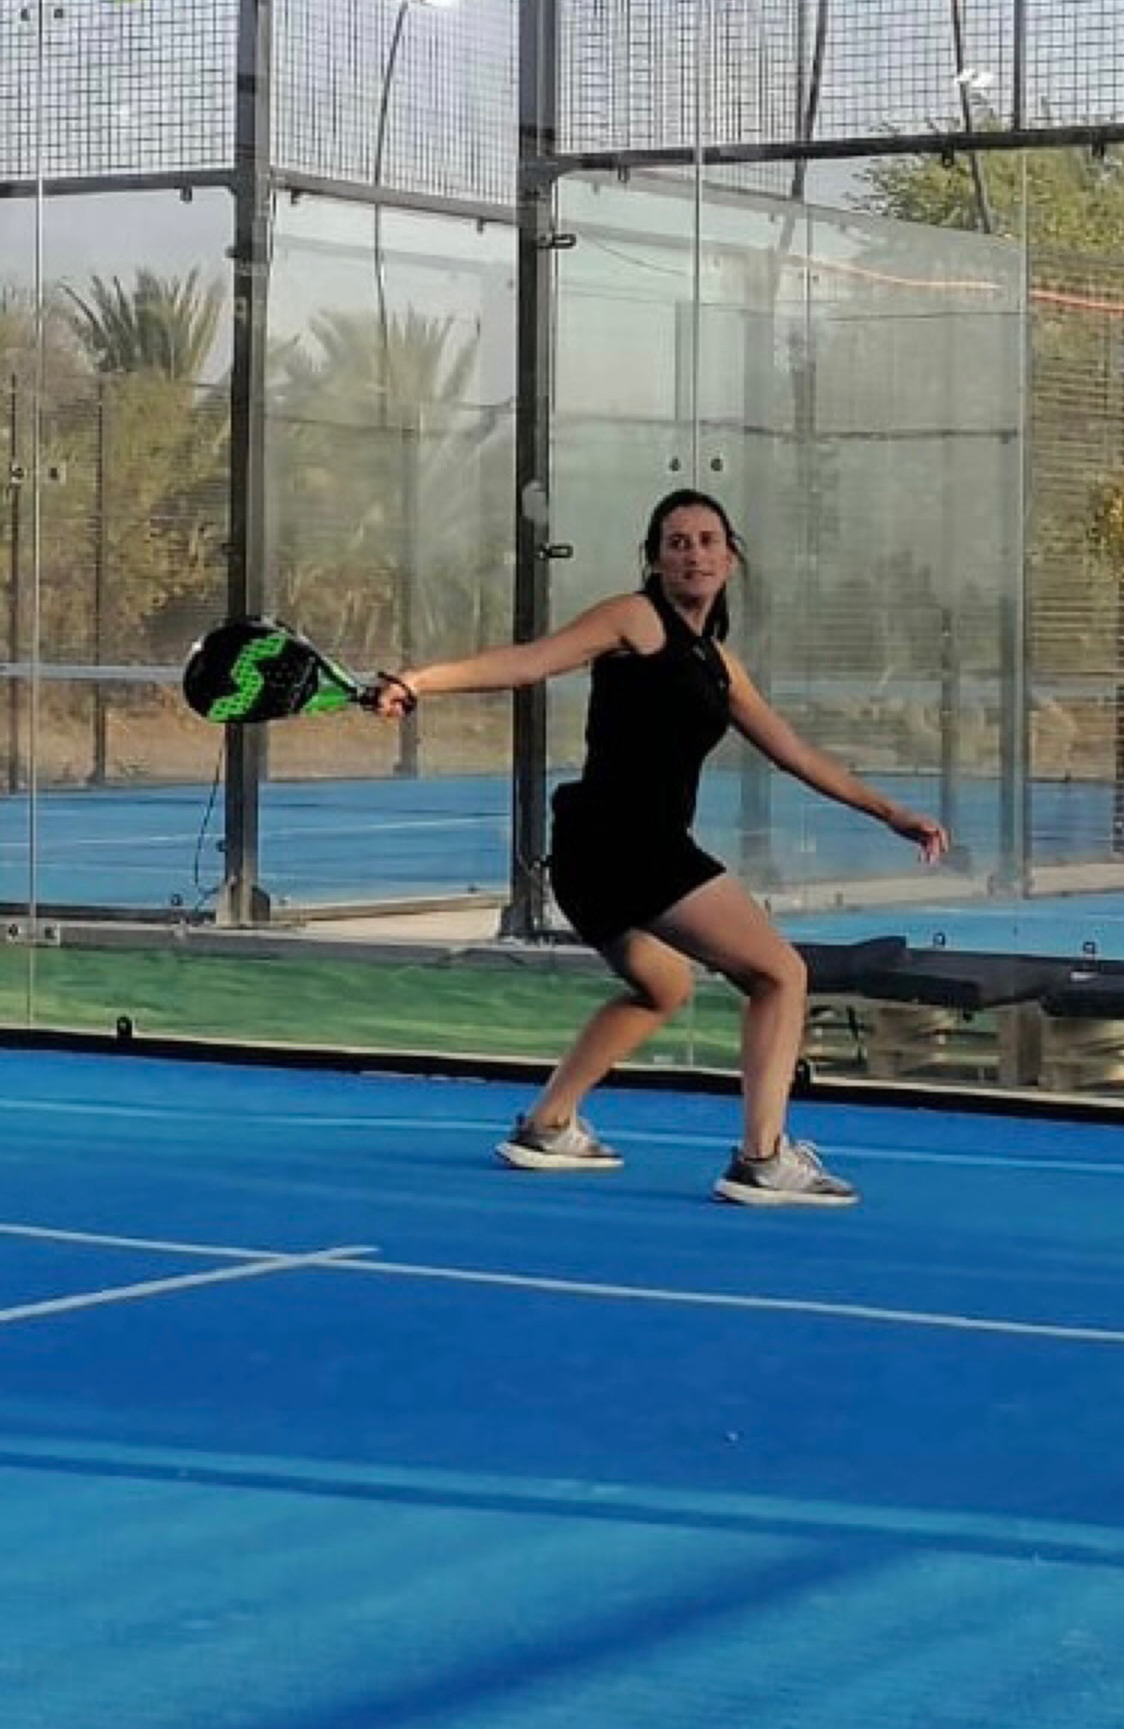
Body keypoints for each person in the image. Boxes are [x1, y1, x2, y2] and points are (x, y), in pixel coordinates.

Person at [374, 490, 947, 1207]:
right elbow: (529, 663)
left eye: (708, 541)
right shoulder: (634, 619)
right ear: (655, 560)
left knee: (664, 986)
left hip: (595, 854)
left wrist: (891, 813)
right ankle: (763, 1159)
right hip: (625, 845)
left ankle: (549, 1124)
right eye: (677, 543)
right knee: (780, 975)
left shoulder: (718, 665)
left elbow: (794, 752)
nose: (694, 554)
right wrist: (418, 681)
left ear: (730, 559)